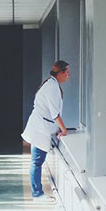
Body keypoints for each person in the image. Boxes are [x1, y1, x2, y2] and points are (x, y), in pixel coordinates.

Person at [22, 60, 70, 198]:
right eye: (67, 72)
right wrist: (64, 130)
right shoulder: (52, 87)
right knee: (37, 162)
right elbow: (55, 114)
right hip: (39, 129)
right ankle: (37, 193)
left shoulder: (52, 84)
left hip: (40, 127)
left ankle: (37, 192)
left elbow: (51, 113)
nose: (68, 75)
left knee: (36, 161)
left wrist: (57, 128)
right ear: (60, 73)